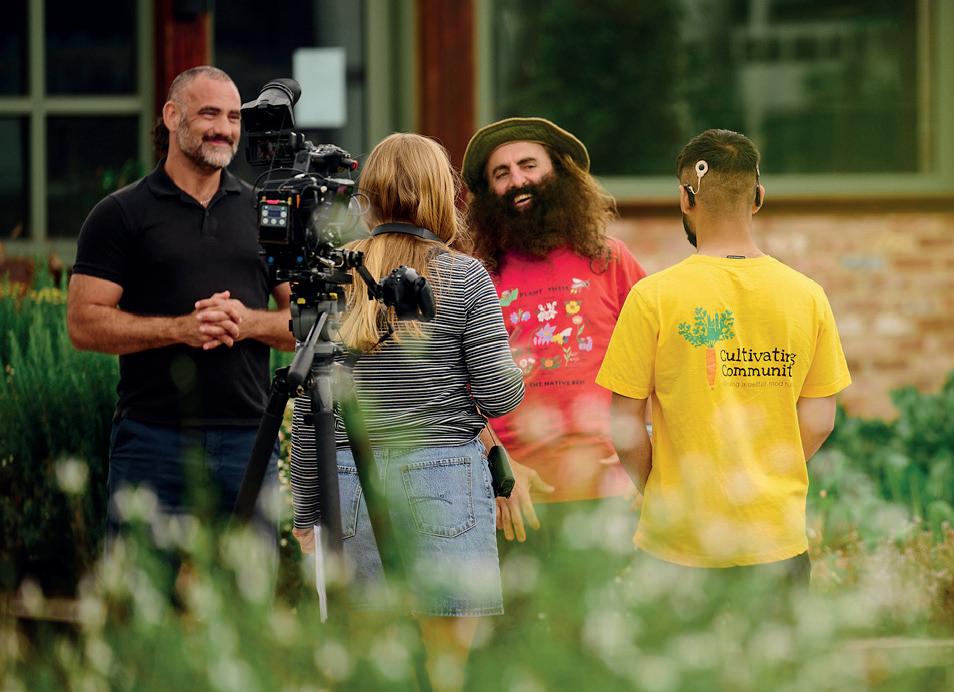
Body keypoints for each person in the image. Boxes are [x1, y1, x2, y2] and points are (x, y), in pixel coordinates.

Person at [289, 133, 524, 692]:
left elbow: (308, 407)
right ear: (442, 194)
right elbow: (498, 397)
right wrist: (518, 372)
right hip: (445, 478)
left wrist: (304, 512)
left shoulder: (335, 276)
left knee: (374, 667)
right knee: (446, 669)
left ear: (369, 196)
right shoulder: (464, 276)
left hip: (350, 480)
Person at [596, 128, 851, 587]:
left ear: (685, 198)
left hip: (678, 540)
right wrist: (764, 471)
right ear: (758, 198)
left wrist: (660, 488)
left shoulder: (653, 297)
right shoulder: (808, 296)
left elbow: (625, 425)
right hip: (775, 537)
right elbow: (819, 419)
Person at [67, 66, 295, 545]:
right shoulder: (119, 214)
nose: (224, 129)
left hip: (248, 440)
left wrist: (248, 322)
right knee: (141, 587)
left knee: (249, 590)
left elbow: (309, 324)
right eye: (209, 113)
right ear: (172, 116)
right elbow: (83, 324)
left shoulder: (265, 212)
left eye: (233, 117)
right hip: (152, 439)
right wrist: (181, 329)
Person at [461, 117, 646, 547]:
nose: (517, 181)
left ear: (560, 173)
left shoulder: (611, 260)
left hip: (612, 499)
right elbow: (453, 384)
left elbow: (666, 362)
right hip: (514, 503)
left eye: (529, 165)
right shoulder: (475, 275)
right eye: (501, 173)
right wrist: (499, 465)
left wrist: (653, 462)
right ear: (488, 193)